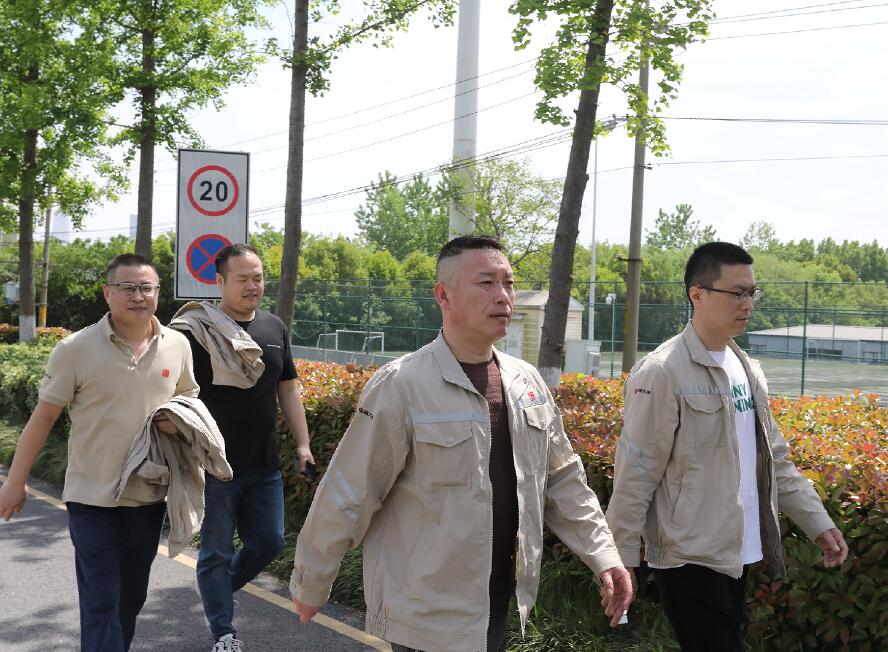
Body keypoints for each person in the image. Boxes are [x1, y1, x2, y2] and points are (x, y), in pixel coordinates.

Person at [289, 235, 633, 652]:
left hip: (497, 603)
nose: (503, 296)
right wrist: (312, 580)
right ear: (443, 295)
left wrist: (604, 556)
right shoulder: (402, 385)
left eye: (508, 283)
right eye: (486, 283)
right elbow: (350, 488)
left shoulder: (525, 382)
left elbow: (562, 480)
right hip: (425, 609)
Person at [605, 241, 848, 652]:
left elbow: (775, 460)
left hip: (739, 552)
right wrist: (620, 559)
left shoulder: (747, 369)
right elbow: (637, 471)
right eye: (736, 292)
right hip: (688, 557)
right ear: (697, 295)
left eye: (752, 292)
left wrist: (817, 523)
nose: (747, 303)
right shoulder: (663, 371)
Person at [0, 253, 199, 651]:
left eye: (146, 288)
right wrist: (15, 482)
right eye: (127, 288)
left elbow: (189, 399)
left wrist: (178, 421)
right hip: (90, 498)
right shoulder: (76, 349)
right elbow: (43, 418)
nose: (138, 296)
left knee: (130, 601)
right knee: (101, 601)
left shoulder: (177, 345)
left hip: (148, 495)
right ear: (108, 293)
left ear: (158, 292)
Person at [171, 243, 313, 652]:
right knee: (215, 552)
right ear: (220, 281)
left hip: (263, 464)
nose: (253, 286)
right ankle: (224, 633)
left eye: (258, 278)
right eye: (243, 279)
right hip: (213, 465)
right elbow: (173, 390)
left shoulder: (273, 327)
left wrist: (303, 444)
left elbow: (288, 388)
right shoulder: (194, 332)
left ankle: (217, 591)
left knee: (269, 542)